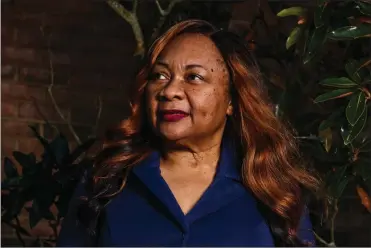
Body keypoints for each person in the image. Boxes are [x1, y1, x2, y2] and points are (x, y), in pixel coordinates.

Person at [57, 19, 320, 247]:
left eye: (194, 77)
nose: (169, 90)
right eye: (159, 75)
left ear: (232, 101)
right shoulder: (106, 181)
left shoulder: (273, 190)